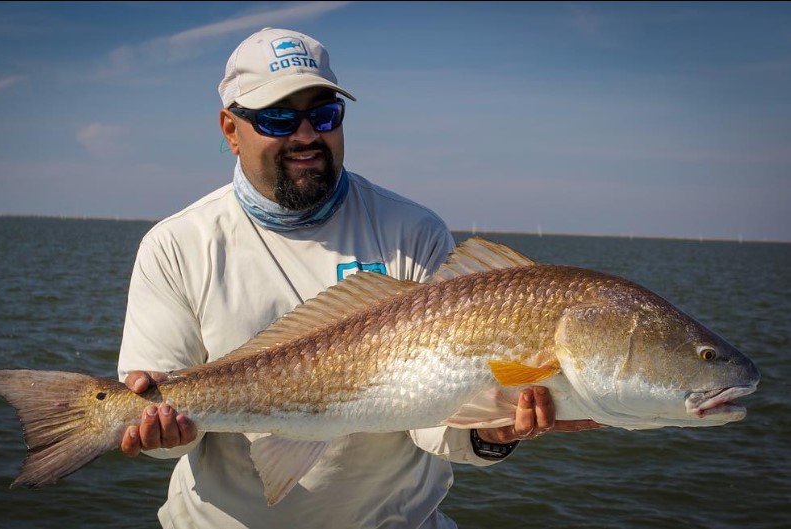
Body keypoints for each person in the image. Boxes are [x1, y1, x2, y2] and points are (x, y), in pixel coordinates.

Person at [117, 27, 601, 529]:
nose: (306, 135)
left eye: (323, 114)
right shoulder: (175, 245)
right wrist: (161, 434)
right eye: (278, 117)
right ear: (230, 130)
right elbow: (159, 422)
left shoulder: (411, 231)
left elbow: (436, 415)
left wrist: (492, 434)